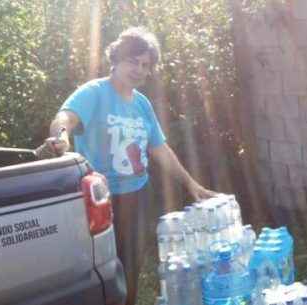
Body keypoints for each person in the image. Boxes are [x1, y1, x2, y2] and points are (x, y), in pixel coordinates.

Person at [36, 27, 217, 305]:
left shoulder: (142, 104)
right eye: (134, 60)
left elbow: (160, 148)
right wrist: (61, 135)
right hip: (99, 201)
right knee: (100, 271)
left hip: (137, 196)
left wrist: (190, 183)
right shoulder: (94, 92)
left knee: (130, 268)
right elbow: (65, 117)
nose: (140, 69)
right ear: (117, 58)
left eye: (146, 65)